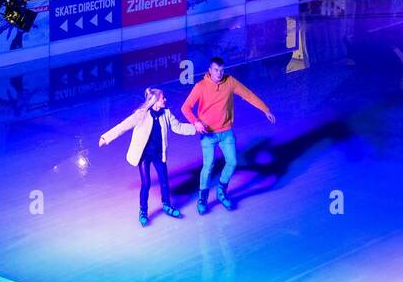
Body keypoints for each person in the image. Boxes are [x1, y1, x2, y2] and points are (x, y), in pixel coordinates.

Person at [181, 56, 275, 213]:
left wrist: (265, 109)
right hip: (208, 134)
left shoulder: (230, 82)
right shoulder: (201, 86)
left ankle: (221, 191)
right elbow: (186, 107)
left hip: (226, 132)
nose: (219, 73)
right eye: (216, 70)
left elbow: (248, 95)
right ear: (209, 71)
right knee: (208, 166)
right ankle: (202, 198)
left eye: (221, 70)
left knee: (232, 162)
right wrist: (195, 122)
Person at [99, 87, 198, 227]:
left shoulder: (167, 114)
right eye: (163, 98)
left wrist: (195, 128)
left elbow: (178, 127)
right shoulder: (142, 114)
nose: (165, 99)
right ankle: (143, 211)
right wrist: (106, 137)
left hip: (158, 154)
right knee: (146, 183)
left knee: (164, 180)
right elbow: (123, 126)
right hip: (144, 155)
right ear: (155, 101)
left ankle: (167, 205)